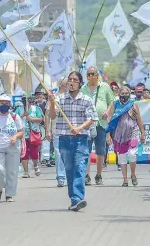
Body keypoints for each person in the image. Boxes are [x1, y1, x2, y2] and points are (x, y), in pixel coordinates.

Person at [47, 71, 97, 211]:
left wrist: (79, 128)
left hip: (81, 139)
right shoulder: (60, 99)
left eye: (75, 80)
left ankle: (77, 198)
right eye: (70, 79)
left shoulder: (86, 99)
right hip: (64, 138)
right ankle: (74, 198)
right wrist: (52, 103)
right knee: (69, 169)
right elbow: (52, 115)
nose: (72, 82)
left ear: (80, 83)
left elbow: (92, 118)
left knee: (80, 167)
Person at [81, 66, 115, 186]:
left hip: (102, 123)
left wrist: (107, 111)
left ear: (97, 75)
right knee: (86, 151)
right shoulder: (83, 88)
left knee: (101, 151)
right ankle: (86, 175)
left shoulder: (104, 86)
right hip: (87, 124)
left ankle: (99, 175)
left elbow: (112, 102)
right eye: (88, 75)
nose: (90, 76)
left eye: (92, 74)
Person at [105, 86, 145, 186]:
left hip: (133, 132)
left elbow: (139, 119)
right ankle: (125, 179)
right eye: (122, 93)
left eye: (126, 93)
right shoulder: (115, 104)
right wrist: (108, 135)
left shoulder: (133, 104)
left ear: (129, 94)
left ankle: (133, 174)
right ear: (119, 95)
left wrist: (143, 133)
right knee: (122, 156)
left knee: (132, 154)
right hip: (119, 134)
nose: (124, 95)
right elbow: (109, 119)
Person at [47, 78, 68, 187]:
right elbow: (47, 115)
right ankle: (60, 177)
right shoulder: (53, 97)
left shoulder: (71, 97)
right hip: (57, 130)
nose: (67, 84)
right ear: (60, 84)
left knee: (68, 153)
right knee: (59, 153)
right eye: (65, 83)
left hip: (70, 130)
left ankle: (69, 176)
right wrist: (47, 130)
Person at [17, 97, 44, 178]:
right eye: (24, 100)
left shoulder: (36, 109)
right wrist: (22, 115)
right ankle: (26, 171)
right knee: (24, 153)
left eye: (28, 100)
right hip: (22, 134)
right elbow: (13, 118)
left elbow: (40, 119)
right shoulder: (19, 109)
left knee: (34, 152)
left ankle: (36, 166)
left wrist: (31, 118)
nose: (26, 102)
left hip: (33, 133)